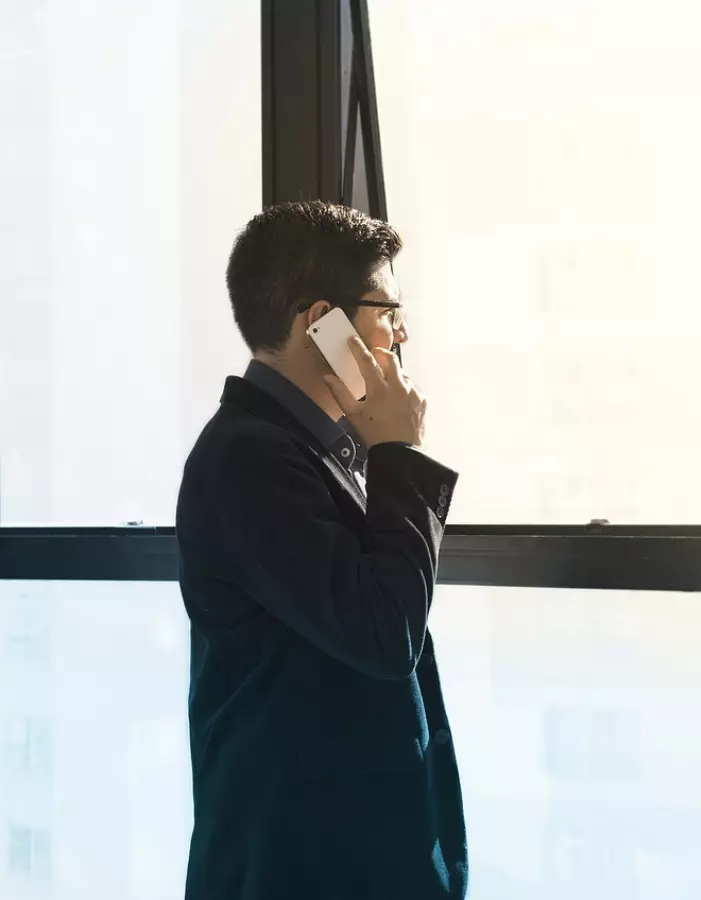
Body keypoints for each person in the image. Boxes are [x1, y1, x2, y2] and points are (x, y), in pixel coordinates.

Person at [175, 201, 467, 899]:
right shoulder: (247, 460)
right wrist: (398, 451)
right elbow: (383, 630)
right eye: (384, 309)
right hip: (299, 865)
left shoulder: (309, 450)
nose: (401, 332)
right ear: (322, 325)